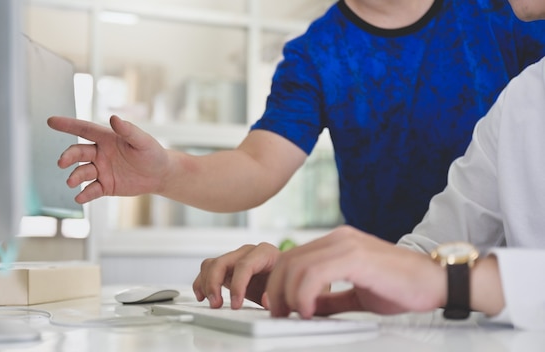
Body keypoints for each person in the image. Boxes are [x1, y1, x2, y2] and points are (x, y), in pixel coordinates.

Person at [48, 0, 545, 243]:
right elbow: (258, 165)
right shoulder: (316, 54)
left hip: (512, 269)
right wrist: (167, 173)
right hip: (386, 275)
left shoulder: (503, 10)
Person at [192, 0, 545, 330]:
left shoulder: (496, 23)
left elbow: (435, 278)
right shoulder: (519, 100)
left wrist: (446, 282)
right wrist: (316, 278)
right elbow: (426, 260)